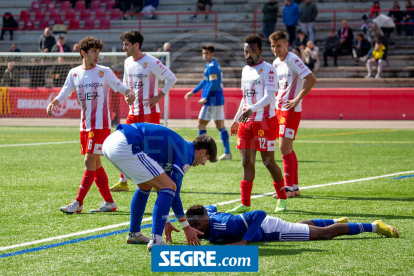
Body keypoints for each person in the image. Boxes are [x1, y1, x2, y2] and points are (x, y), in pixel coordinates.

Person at [46, 36, 136, 214]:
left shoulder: (104, 72)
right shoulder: (74, 73)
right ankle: (109, 202)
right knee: (95, 165)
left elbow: (121, 86)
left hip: (100, 126)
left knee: (89, 161)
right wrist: (54, 103)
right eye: (93, 52)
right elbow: (65, 92)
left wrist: (128, 93)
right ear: (83, 53)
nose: (97, 55)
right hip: (85, 126)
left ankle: (78, 202)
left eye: (98, 52)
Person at [101, 123, 218, 250]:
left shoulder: (179, 148)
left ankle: (134, 233)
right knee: (170, 186)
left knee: (146, 186)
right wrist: (186, 227)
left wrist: (166, 221)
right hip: (125, 144)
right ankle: (156, 239)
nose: (204, 163)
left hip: (111, 142)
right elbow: (174, 192)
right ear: (203, 152)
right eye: (207, 159)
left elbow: (161, 188)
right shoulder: (187, 153)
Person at [109, 30, 177, 192]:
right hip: (134, 111)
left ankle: (159, 181)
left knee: (151, 147)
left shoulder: (151, 61)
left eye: (126, 44)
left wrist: (159, 95)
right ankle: (123, 181)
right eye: (123, 44)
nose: (124, 47)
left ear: (136, 45)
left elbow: (172, 78)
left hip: (149, 111)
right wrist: (127, 95)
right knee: (123, 142)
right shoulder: (127, 62)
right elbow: (126, 84)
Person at [226, 34, 286, 214]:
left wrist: (251, 109)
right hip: (246, 123)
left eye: (252, 51)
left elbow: (269, 97)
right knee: (246, 162)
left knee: (268, 162)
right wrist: (236, 120)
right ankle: (245, 202)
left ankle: (282, 198)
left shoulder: (268, 69)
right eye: (245, 51)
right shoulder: (245, 70)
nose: (248, 55)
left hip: (264, 122)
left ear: (260, 51)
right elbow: (244, 99)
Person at [185, 205, 400, 245]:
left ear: (205, 221)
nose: (195, 228)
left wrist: (244, 241)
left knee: (324, 235)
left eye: (197, 224)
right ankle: (336, 220)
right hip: (271, 226)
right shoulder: (207, 217)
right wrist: (176, 223)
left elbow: (259, 213)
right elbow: (210, 206)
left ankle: (374, 226)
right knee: (299, 225)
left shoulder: (227, 225)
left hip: (272, 230)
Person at [270, 31, 317, 198]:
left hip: (291, 110)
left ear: (286, 45)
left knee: (283, 147)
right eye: (273, 46)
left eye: (279, 46)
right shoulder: (275, 63)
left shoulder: (293, 60)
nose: (275, 49)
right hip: (278, 109)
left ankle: (288, 188)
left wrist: (297, 99)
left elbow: (311, 79)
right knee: (287, 148)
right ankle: (294, 187)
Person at [184, 44, 231, 161]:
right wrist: (193, 91)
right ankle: (227, 153)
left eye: (207, 53)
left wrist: (206, 98)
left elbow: (213, 84)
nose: (204, 55)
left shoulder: (212, 67)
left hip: (212, 101)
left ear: (212, 54)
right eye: (203, 53)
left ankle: (201, 151)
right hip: (217, 100)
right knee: (220, 127)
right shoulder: (212, 66)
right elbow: (205, 81)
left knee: (201, 124)